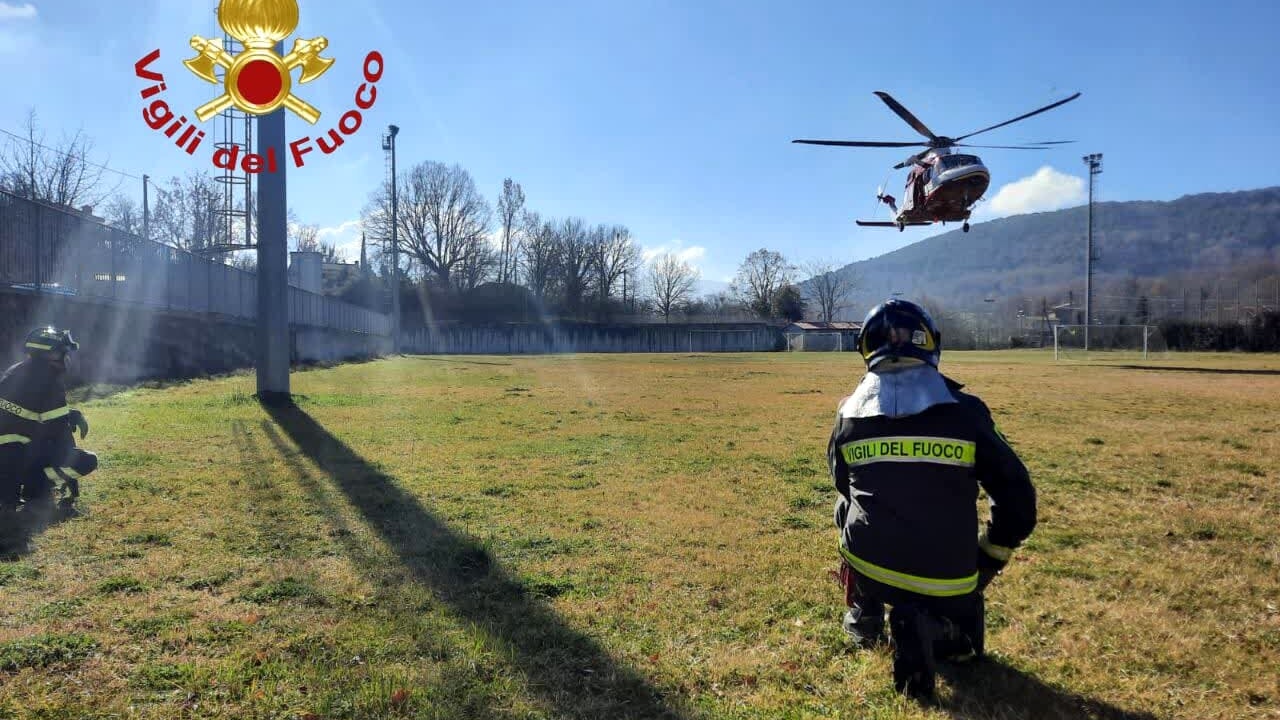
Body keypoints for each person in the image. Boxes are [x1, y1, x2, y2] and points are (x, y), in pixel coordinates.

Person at [828, 299, 1037, 699]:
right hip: (950, 575)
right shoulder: (967, 412)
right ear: (931, 344)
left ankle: (865, 615)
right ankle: (940, 628)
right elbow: (1018, 500)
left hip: (871, 565)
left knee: (846, 506)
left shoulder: (848, 416)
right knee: (964, 647)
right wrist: (990, 555)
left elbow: (842, 484)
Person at [0, 327, 96, 512]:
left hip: (9, 455)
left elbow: (32, 413)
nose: (66, 358)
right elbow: (59, 432)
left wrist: (69, 414)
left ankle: (13, 492)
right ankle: (36, 488)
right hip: (13, 458)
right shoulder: (49, 382)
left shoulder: (17, 370)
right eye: (63, 352)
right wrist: (71, 484)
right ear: (51, 354)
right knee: (87, 460)